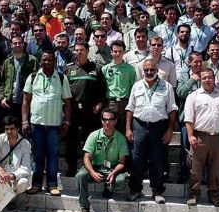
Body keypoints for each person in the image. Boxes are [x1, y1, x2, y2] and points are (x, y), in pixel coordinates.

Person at [125, 58, 177, 204]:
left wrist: (170, 129)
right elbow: (130, 108)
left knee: (158, 160)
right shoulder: (136, 86)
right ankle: (136, 190)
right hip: (139, 126)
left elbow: (172, 109)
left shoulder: (166, 86)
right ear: (142, 71)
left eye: (152, 70)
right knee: (136, 160)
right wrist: (128, 128)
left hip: (159, 127)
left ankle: (157, 191)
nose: (149, 72)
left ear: (157, 71)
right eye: (146, 70)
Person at [22, 50, 72, 196]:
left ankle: (52, 185)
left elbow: (68, 102)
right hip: (36, 123)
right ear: (40, 61)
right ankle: (36, 184)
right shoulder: (32, 77)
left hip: (55, 125)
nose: (47, 62)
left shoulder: (62, 78)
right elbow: (26, 101)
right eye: (44, 59)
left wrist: (67, 122)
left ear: (54, 62)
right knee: (37, 155)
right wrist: (24, 121)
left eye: (50, 60)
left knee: (53, 155)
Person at [184, 68, 219, 207]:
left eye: (210, 77)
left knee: (216, 169)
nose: (207, 80)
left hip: (218, 138)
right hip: (200, 137)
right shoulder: (193, 96)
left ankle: (214, 196)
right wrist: (190, 135)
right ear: (200, 79)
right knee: (195, 169)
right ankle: (193, 195)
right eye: (204, 77)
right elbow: (188, 119)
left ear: (214, 78)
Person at [77, 108, 128, 212]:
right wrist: (92, 172)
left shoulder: (121, 138)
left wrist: (114, 173)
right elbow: (86, 157)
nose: (107, 122)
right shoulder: (94, 135)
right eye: (104, 119)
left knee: (120, 181)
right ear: (101, 121)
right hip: (96, 166)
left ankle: (108, 186)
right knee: (81, 175)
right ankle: (84, 207)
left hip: (112, 168)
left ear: (115, 121)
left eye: (110, 120)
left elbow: (122, 163)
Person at [64, 41, 104, 176]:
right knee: (71, 140)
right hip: (73, 110)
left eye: (81, 50)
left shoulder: (96, 68)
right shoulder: (68, 69)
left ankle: (91, 167)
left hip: (90, 111)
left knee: (90, 139)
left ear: (87, 51)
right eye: (76, 50)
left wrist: (100, 103)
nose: (79, 52)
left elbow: (103, 89)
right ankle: (71, 168)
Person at [176, 51, 203, 183]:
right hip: (187, 119)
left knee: (201, 149)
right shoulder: (183, 75)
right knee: (185, 148)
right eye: (195, 61)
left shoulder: (206, 74)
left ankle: (198, 176)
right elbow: (180, 93)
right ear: (189, 62)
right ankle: (183, 173)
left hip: (203, 119)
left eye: (200, 61)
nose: (198, 64)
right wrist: (192, 80)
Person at [0, 34, 39, 124]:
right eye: (15, 43)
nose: (17, 45)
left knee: (26, 128)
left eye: (19, 43)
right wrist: (2, 97)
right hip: (10, 101)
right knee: (12, 127)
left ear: (23, 44)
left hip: (27, 100)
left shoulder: (32, 61)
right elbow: (2, 82)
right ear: (11, 45)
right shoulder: (7, 62)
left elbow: (37, 81)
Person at [102, 40, 136, 134]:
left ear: (124, 52)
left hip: (125, 102)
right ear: (111, 52)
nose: (117, 54)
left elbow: (132, 87)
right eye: (115, 51)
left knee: (124, 129)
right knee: (110, 129)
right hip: (111, 102)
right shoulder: (105, 69)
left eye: (120, 51)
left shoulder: (130, 69)